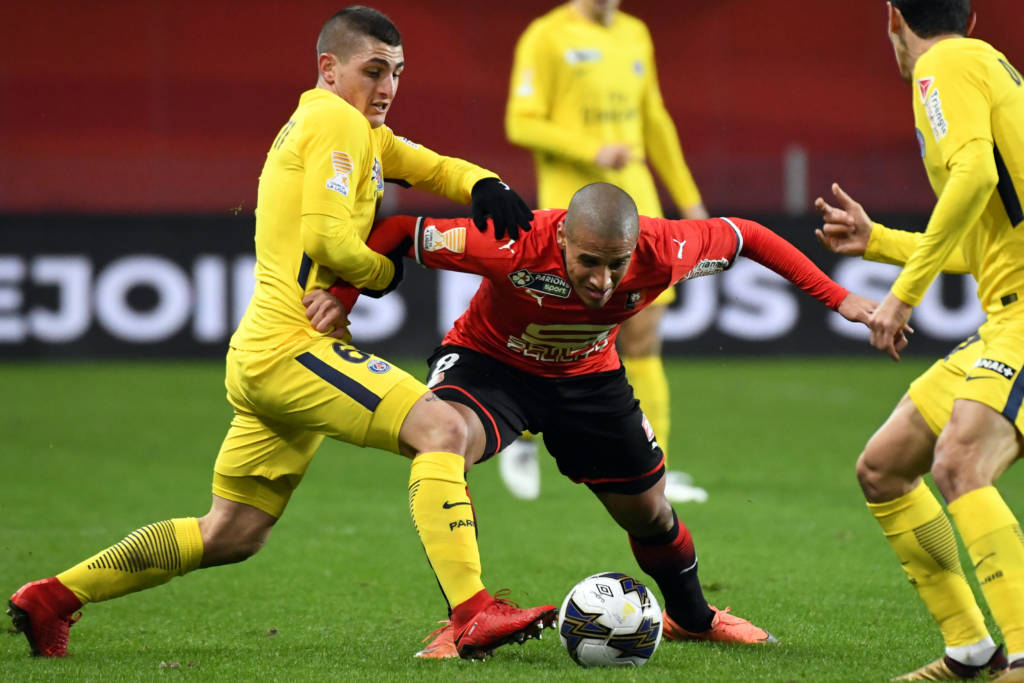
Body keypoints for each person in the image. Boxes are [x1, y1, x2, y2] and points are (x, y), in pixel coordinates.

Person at [6, 6, 555, 662]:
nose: (388, 87)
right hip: (293, 347)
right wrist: (383, 272)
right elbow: (328, 238)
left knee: (231, 532)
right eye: (373, 70)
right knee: (441, 428)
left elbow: (430, 166)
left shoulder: (356, 129)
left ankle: (51, 597)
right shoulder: (335, 121)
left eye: (398, 72)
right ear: (330, 68)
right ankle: (471, 612)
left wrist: (482, 181)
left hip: (266, 351)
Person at [308, 181, 879, 658]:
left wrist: (839, 298)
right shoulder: (512, 240)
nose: (603, 281)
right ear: (561, 238)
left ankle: (693, 618)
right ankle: (467, 617)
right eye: (588, 262)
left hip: (587, 378)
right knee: (446, 437)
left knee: (649, 512)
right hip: (490, 366)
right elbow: (398, 231)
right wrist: (342, 297)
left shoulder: (668, 248)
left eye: (616, 264)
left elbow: (747, 235)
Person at [814, 1, 1024, 679]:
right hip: (1006, 318)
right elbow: (979, 242)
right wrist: (878, 241)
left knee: (960, 461)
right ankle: (969, 647)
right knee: (884, 466)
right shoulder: (988, 65)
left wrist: (903, 294)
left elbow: (974, 176)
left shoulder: (943, 66)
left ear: (893, 18)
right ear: (972, 16)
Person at [502, 0, 709, 503]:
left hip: (636, 209)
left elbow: (654, 120)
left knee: (644, 337)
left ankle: (655, 473)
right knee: (554, 335)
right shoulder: (546, 36)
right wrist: (591, 150)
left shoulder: (636, 33)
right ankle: (522, 437)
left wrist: (689, 200)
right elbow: (521, 123)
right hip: (571, 213)